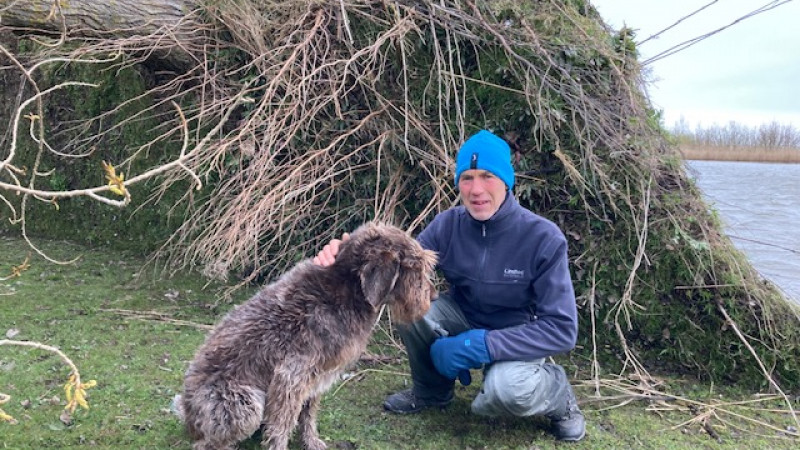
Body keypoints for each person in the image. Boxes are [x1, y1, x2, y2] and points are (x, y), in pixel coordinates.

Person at [314, 129, 585, 442]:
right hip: (463, 316)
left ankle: (559, 397)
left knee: (507, 392)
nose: (476, 189)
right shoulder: (447, 225)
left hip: (515, 334)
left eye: (487, 176)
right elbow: (402, 266)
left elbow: (562, 330)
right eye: (467, 178)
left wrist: (480, 344)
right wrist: (344, 252)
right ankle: (431, 391)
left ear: (507, 180)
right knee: (413, 310)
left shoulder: (543, 238)